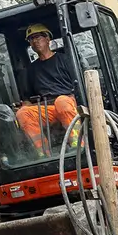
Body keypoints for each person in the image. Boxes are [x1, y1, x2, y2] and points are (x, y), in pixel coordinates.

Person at [14, 23, 80, 154]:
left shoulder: (65, 60)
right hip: (47, 108)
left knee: (61, 102)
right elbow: (28, 99)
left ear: (48, 39)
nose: (35, 41)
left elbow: (79, 85)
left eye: (38, 37)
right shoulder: (31, 70)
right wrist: (24, 107)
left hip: (69, 103)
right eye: (31, 39)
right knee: (22, 113)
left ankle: (77, 145)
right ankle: (43, 154)